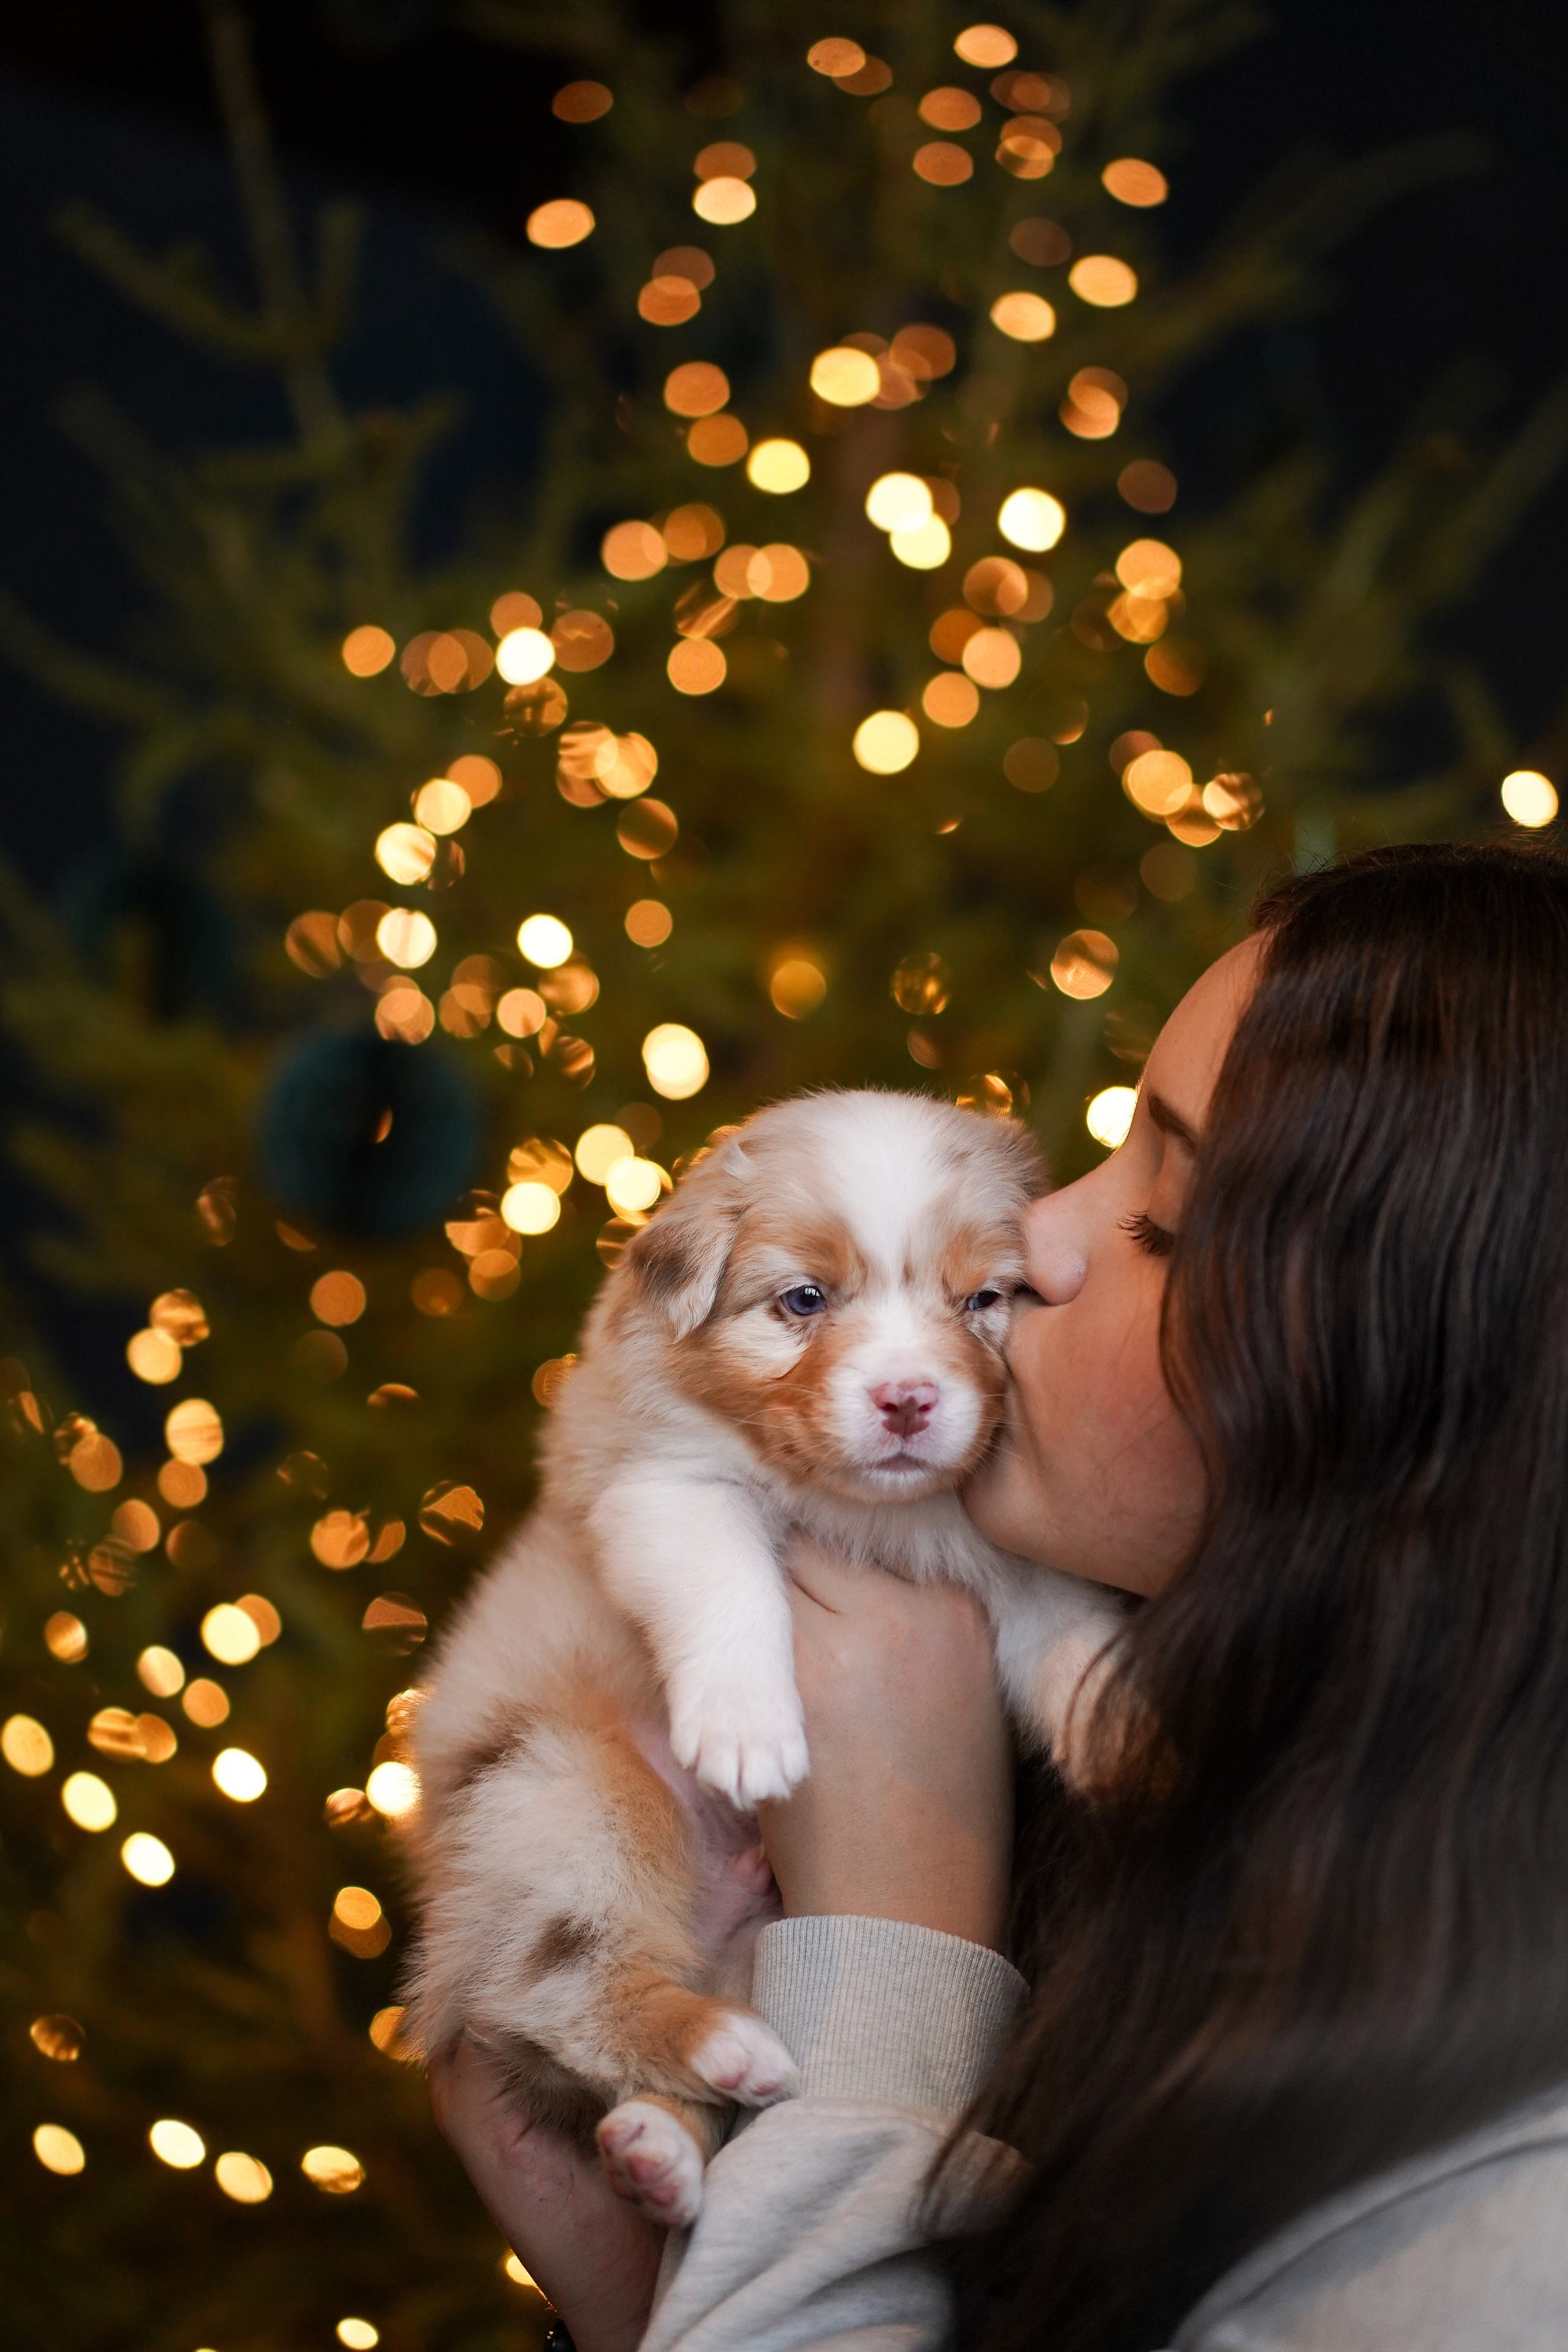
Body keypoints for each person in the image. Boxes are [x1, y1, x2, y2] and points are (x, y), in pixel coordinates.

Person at [432, 841, 1568, 2351]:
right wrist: (635, 2301)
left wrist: (888, 1968)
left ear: (1405, 1407)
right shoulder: (1186, 1813)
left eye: (1161, 1219)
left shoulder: (1502, 2242)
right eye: (1105, 1147)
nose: (1032, 1243)